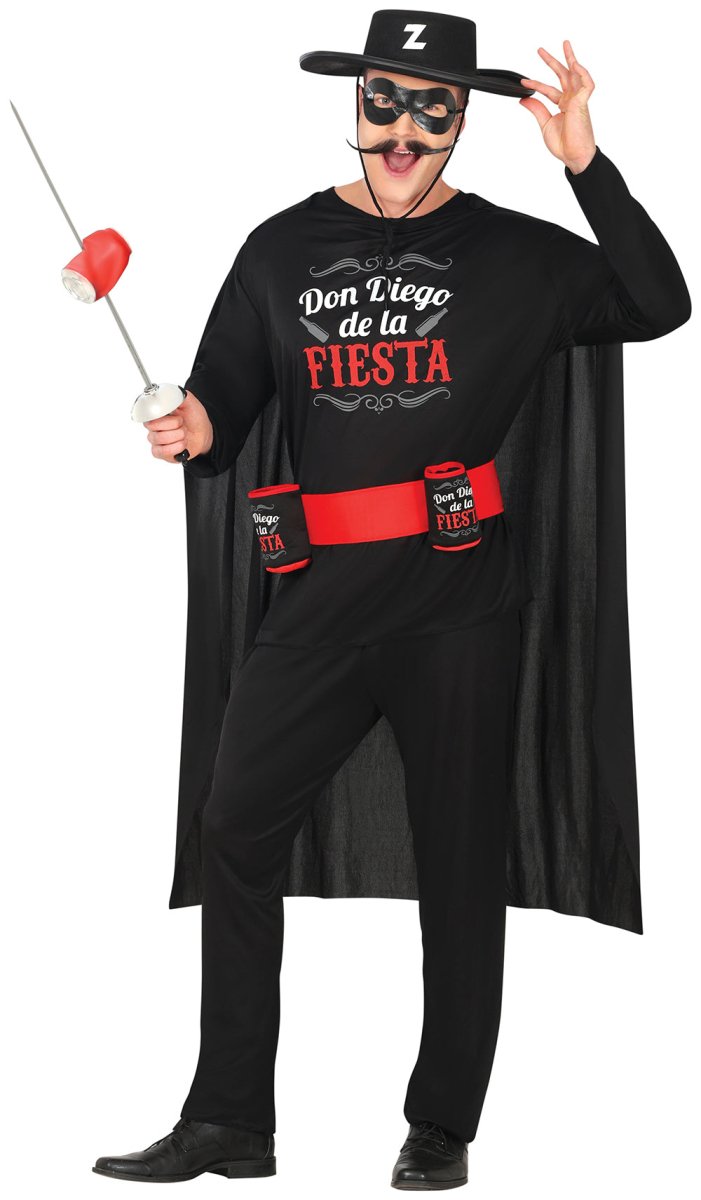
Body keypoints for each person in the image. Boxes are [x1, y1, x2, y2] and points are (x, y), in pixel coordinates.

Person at [93, 10, 691, 1190]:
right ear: (353, 103)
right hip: (313, 608)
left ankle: (440, 1126)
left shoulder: (517, 255)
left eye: (432, 107)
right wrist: (192, 426)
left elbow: (657, 301)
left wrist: (583, 164)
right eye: (384, 101)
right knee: (233, 825)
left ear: (460, 119)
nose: (404, 129)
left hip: (456, 605)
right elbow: (223, 404)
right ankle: (229, 1120)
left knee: (460, 862)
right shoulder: (278, 249)